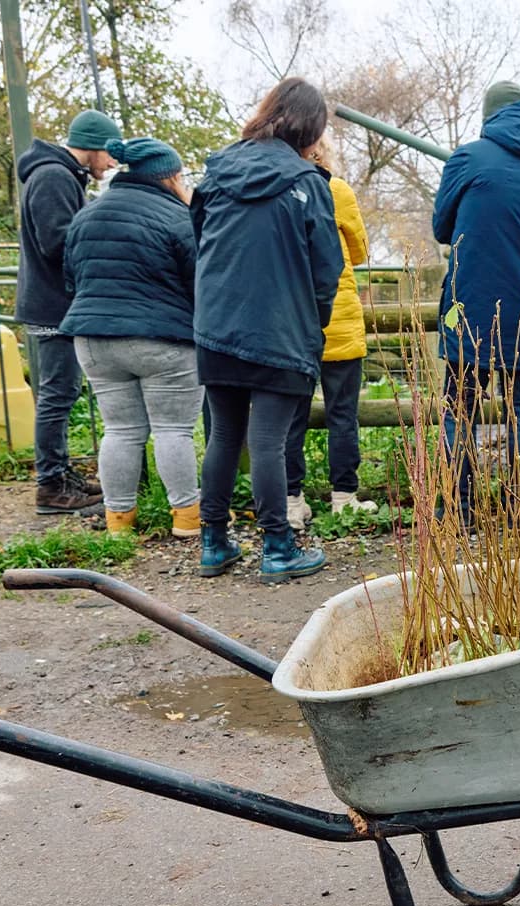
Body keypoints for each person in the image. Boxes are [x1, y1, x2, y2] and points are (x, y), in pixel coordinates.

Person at [191, 77, 343, 581]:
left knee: (224, 434)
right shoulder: (307, 184)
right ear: (312, 127)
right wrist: (312, 323)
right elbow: (327, 269)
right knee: (269, 441)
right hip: (279, 328)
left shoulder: (214, 175)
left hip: (217, 325)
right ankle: (277, 547)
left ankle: (214, 541)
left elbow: (201, 244)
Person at [430, 80, 520, 522]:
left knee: (460, 406)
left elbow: (442, 229)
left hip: (467, 302)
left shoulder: (468, 157)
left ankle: (460, 509)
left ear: (489, 116)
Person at [60, 137, 202, 539]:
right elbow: (199, 282)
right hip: (164, 340)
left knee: (120, 430)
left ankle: (119, 524)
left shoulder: (87, 215)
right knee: (173, 430)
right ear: (170, 176)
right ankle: (188, 520)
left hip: (94, 338)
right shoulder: (178, 217)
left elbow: (71, 279)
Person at [14, 108, 121, 514]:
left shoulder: (60, 175)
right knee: (57, 395)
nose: (111, 163)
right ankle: (51, 485)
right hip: (53, 303)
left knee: (63, 392)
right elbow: (57, 243)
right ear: (93, 147)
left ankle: (59, 475)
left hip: (57, 301)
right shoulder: (53, 176)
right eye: (109, 154)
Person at [284, 132, 378, 524]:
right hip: (337, 318)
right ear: (320, 150)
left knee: (290, 415)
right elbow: (358, 252)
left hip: (291, 318)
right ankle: (344, 498)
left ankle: (290, 501)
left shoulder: (279, 191)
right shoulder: (336, 190)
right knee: (343, 413)